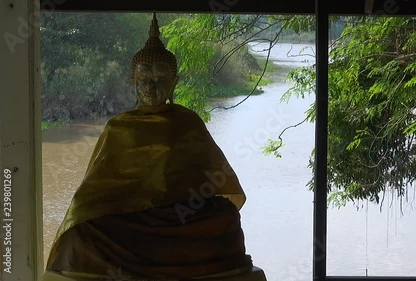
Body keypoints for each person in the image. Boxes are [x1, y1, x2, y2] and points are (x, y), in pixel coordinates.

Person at [45, 13, 258, 281]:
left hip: (180, 218)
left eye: (160, 78)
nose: (151, 86)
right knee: (80, 233)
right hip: (131, 218)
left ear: (175, 82)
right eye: (143, 78)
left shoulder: (187, 122)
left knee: (225, 217)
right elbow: (94, 192)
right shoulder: (118, 126)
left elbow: (214, 179)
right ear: (132, 80)